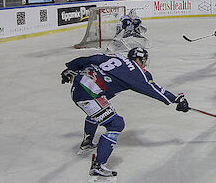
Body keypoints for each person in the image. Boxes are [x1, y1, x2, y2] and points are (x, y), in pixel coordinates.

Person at [60, 47, 190, 178]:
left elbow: (91, 59)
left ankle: (87, 142)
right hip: (88, 95)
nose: (144, 63)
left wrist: (70, 68)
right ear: (140, 59)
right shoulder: (136, 72)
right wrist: (176, 99)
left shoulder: (116, 56)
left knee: (98, 112)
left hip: (78, 87)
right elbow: (152, 89)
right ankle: (98, 166)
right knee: (116, 124)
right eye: (144, 60)